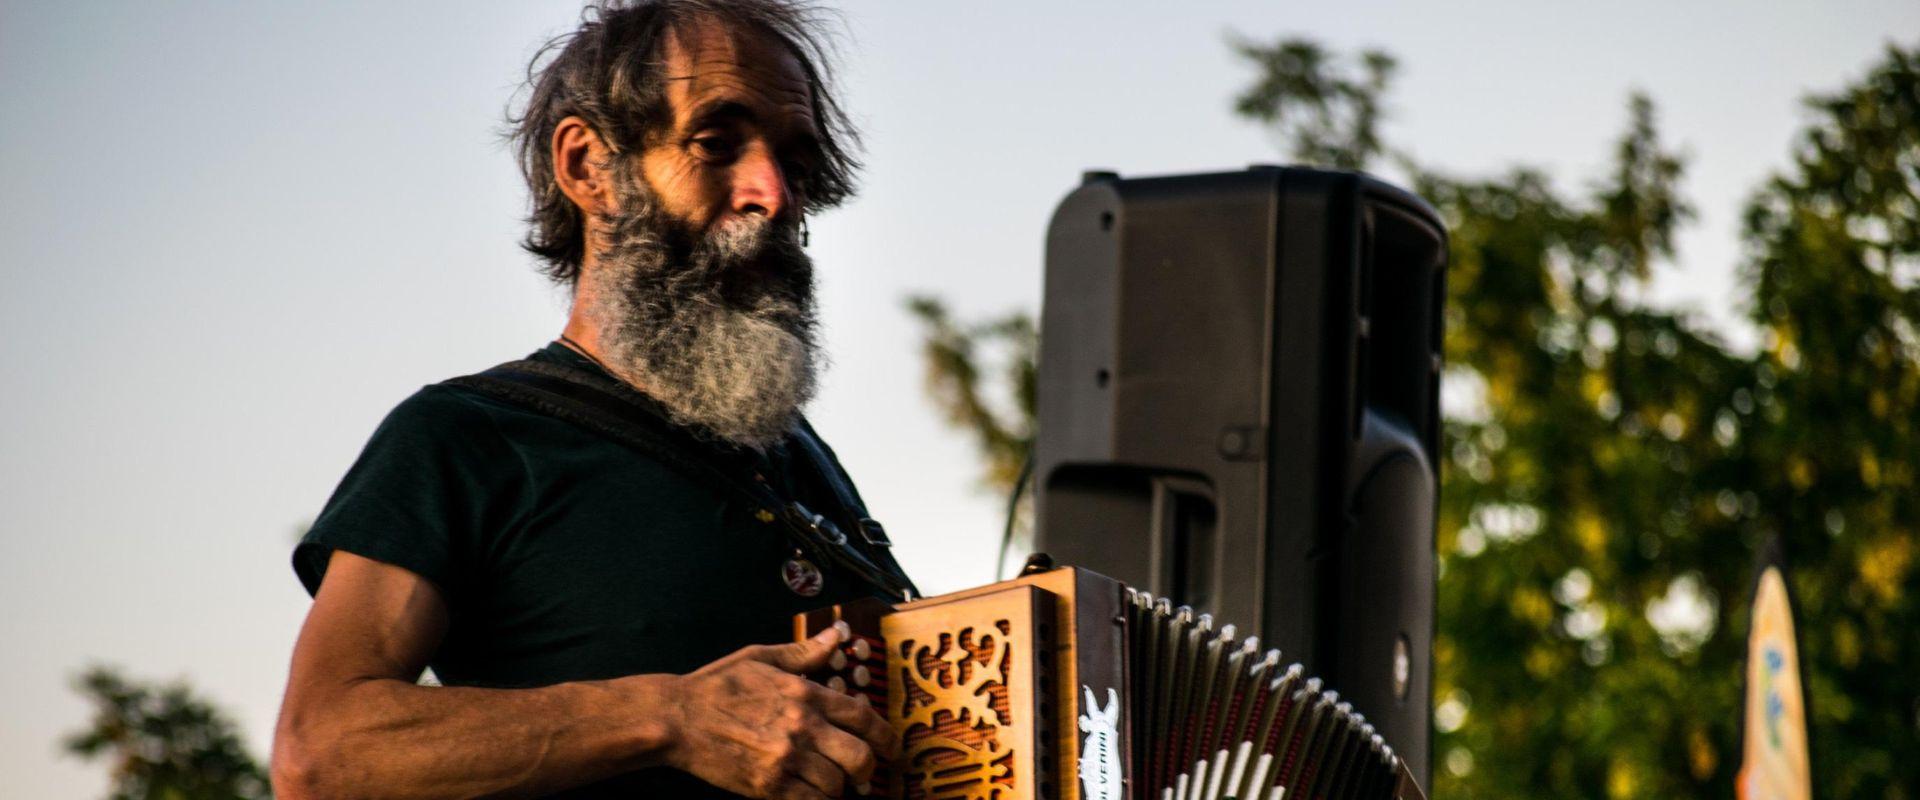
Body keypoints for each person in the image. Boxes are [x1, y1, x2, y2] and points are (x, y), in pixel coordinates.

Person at [269, 2, 908, 798]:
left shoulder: (801, 460)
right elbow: (322, 752)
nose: (772, 194)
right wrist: (672, 715)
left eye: (795, 161)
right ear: (587, 166)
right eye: (716, 143)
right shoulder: (467, 437)